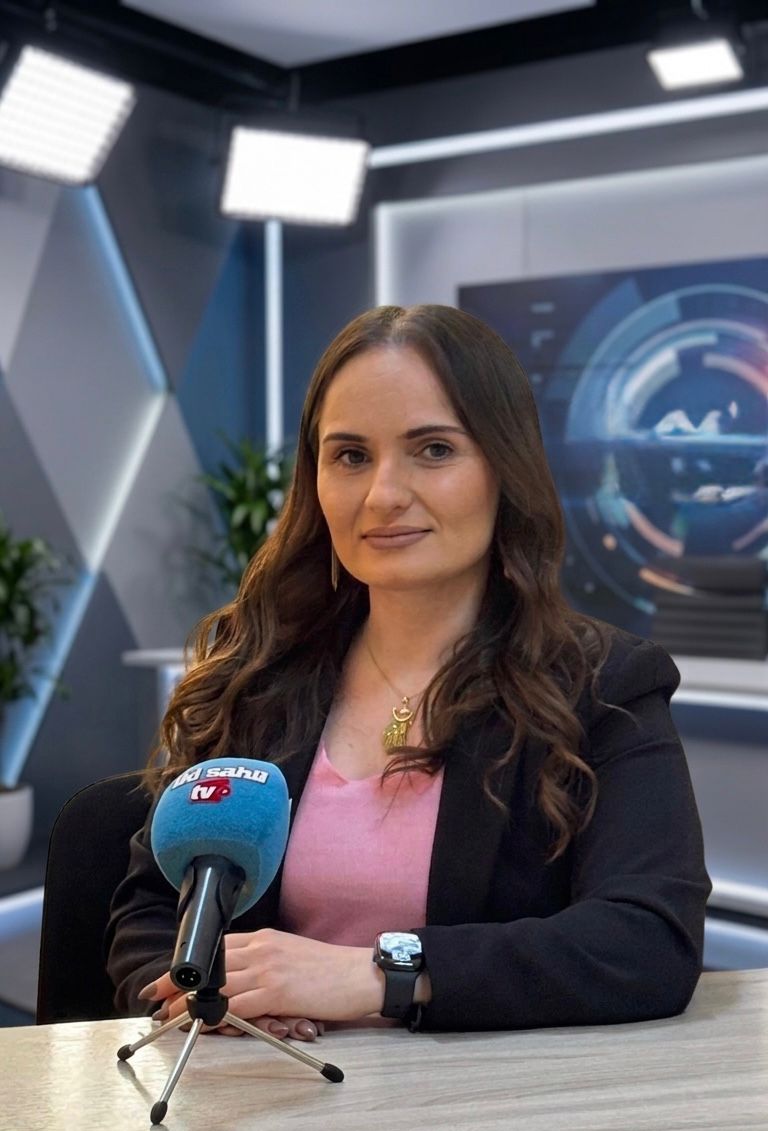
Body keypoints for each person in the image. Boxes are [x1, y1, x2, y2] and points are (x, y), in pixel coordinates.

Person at [105, 303, 712, 1040]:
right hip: (272, 1089)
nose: (383, 495)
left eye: (433, 449)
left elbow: (648, 940)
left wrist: (382, 976)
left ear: (505, 468)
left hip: (491, 1100)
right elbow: (149, 911)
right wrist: (204, 1001)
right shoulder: (255, 673)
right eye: (350, 456)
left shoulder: (604, 685)